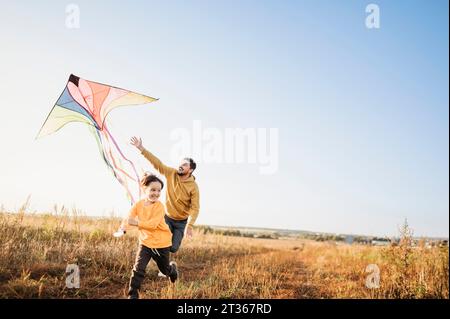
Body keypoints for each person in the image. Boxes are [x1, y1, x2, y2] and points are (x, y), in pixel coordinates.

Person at [130, 136, 200, 254]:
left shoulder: (193, 187)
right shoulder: (171, 173)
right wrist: (141, 148)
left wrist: (190, 225)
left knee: (173, 248)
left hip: (181, 222)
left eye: (185, 164)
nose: (181, 165)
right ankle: (163, 267)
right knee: (161, 243)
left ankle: (167, 265)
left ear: (191, 170)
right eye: (181, 162)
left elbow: (195, 208)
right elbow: (158, 164)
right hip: (166, 217)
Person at [120, 173, 178, 299]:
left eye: (159, 191)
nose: (156, 193)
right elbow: (129, 217)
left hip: (161, 244)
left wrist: (136, 223)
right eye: (153, 190)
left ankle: (172, 270)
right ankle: (133, 295)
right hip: (145, 243)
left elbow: (152, 225)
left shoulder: (160, 207)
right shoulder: (138, 204)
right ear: (144, 189)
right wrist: (123, 228)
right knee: (138, 268)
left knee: (164, 270)